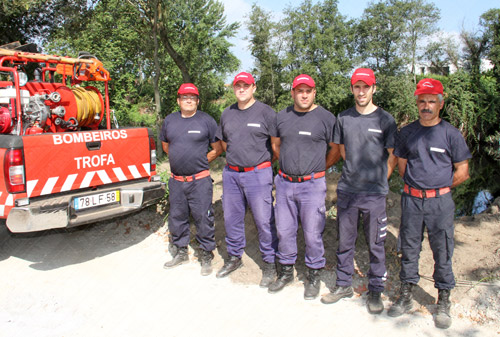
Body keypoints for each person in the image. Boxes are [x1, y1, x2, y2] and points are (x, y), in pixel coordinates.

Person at [388, 78, 471, 329]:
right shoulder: (408, 133)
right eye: (422, 101)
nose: (426, 106)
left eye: (431, 101)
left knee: (442, 249)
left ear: (440, 104)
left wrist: (440, 188)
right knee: (409, 247)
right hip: (411, 200)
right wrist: (418, 187)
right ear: (417, 103)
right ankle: (406, 294)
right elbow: (402, 167)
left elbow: (463, 171)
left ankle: (443, 298)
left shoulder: (451, 134)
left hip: (440, 204)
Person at [321, 68, 397, 314]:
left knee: (376, 244)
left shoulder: (386, 120)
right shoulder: (343, 118)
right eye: (357, 87)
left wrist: (377, 182)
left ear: (374, 88)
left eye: (366, 87)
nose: (361, 91)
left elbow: (392, 158)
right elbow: (342, 150)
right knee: (345, 241)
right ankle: (343, 284)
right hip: (348, 192)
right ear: (352, 89)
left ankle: (375, 290)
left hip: (374, 195)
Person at [269, 74, 340, 300]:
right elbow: (275, 144)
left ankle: (313, 275)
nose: (304, 94)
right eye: (299, 91)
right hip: (285, 183)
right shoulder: (282, 116)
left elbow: (336, 150)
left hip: (312, 185)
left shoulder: (326, 118)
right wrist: (288, 166)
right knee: (284, 230)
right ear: (292, 93)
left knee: (312, 232)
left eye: (308, 91)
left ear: (314, 92)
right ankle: (286, 271)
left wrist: (318, 168)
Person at [215, 72, 279, 287]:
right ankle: (235, 257)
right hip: (232, 173)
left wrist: (259, 164)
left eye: (246, 85)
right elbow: (224, 144)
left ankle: (270, 263)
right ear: (234, 88)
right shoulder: (227, 114)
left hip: (258, 174)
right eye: (238, 86)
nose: (241, 89)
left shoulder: (267, 113)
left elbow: (276, 147)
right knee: (232, 218)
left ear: (254, 87)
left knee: (264, 220)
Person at [161, 83, 222, 276]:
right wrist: (180, 159)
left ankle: (206, 255)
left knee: (203, 217)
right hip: (177, 181)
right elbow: (165, 146)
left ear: (197, 101)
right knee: (177, 217)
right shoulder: (170, 121)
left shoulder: (206, 121)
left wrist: (201, 161)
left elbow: (217, 148)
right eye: (184, 97)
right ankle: (180, 251)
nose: (188, 100)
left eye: (192, 97)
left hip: (200, 181)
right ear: (178, 100)